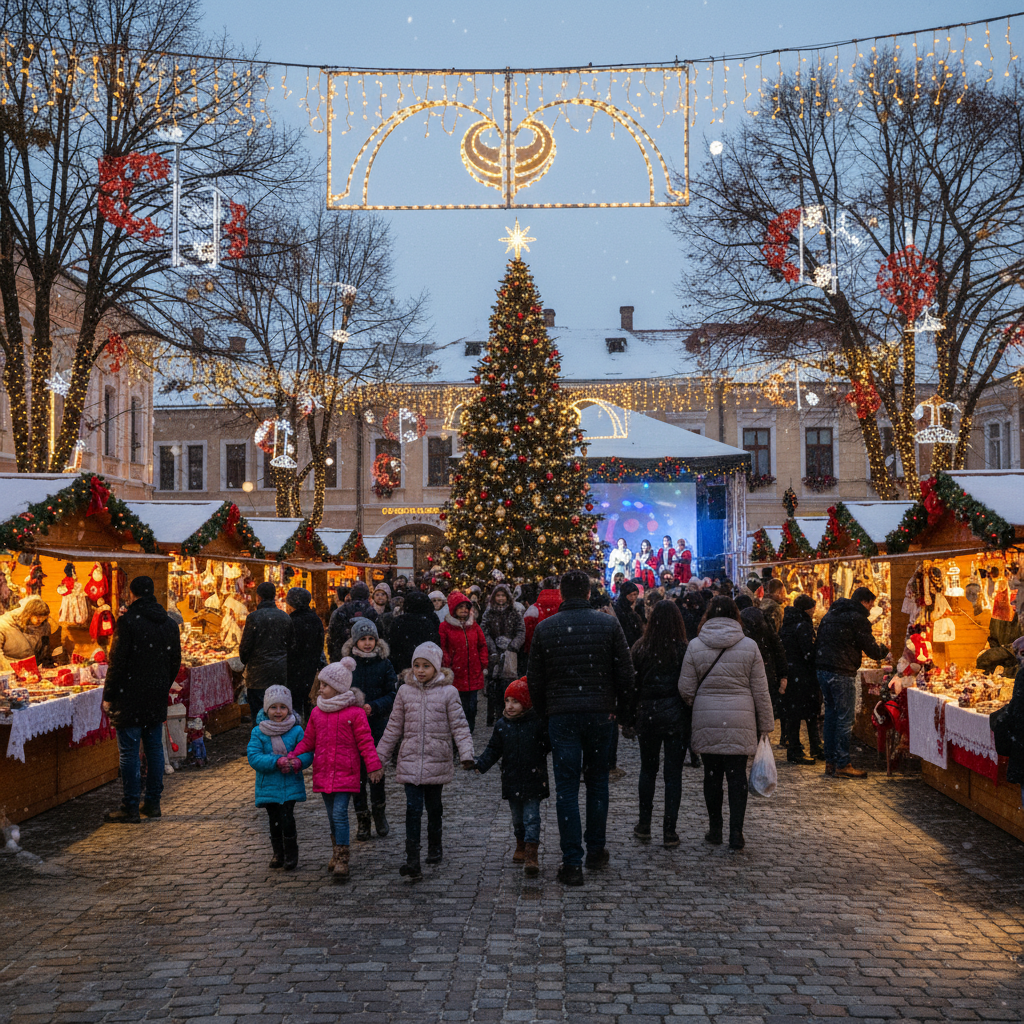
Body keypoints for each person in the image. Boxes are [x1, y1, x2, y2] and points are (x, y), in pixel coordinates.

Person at [527, 569, 635, 886]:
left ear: (561, 594)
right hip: (600, 713)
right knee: (598, 783)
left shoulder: (547, 629)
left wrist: (546, 713)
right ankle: (596, 849)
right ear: (588, 594)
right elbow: (626, 675)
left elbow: (535, 679)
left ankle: (572, 861)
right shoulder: (609, 624)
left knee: (567, 789)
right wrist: (620, 710)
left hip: (562, 715)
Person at [678, 595, 773, 851]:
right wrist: (765, 726)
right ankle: (736, 832)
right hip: (741, 718)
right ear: (735, 615)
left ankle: (715, 828)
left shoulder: (696, 645)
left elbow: (685, 688)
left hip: (707, 717)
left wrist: (699, 703)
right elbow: (760, 691)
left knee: (712, 776)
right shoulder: (750, 646)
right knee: (736, 777)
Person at [376, 641, 475, 880]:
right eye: (417, 665)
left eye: (426, 666)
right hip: (410, 759)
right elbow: (393, 727)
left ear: (437, 668)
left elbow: (460, 726)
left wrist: (466, 754)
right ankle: (413, 860)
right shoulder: (404, 691)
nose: (420, 670)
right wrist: (379, 758)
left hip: (436, 758)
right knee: (412, 808)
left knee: (434, 807)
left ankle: (435, 844)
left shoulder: (448, 693)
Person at [289, 658, 383, 881]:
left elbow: (366, 742)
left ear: (339, 687)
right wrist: (294, 756)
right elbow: (308, 741)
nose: (320, 688)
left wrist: (373, 766)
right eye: (320, 684)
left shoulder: (355, 714)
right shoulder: (317, 713)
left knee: (340, 813)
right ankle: (336, 852)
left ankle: (343, 857)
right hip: (324, 771)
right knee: (332, 816)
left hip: (346, 772)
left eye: (325, 685)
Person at [101, 577, 182, 823]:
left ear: (131, 593)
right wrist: (161, 685)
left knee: (129, 753)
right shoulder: (169, 624)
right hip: (154, 695)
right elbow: (174, 661)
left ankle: (131, 806)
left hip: (130, 696)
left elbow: (117, 662)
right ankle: (153, 803)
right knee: (154, 748)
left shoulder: (128, 623)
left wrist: (109, 695)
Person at [624, 600, 690, 848]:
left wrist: (630, 718)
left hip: (648, 714)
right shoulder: (684, 650)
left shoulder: (641, 648)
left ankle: (644, 824)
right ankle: (669, 830)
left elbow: (632, 686)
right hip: (675, 715)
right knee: (673, 775)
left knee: (648, 770)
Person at [474, 677, 550, 876]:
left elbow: (549, 745)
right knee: (517, 819)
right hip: (512, 779)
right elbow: (493, 749)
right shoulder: (502, 725)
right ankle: (521, 844)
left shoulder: (537, 724)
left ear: (525, 703)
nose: (510, 706)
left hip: (534, 779)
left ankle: (532, 854)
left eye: (515, 701)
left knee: (532, 818)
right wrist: (481, 764)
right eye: (507, 701)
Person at [815, 586, 890, 779]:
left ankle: (830, 762)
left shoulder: (831, 614)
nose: (871, 608)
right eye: (871, 604)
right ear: (864, 602)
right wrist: (884, 650)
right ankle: (842, 763)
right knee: (844, 719)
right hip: (841, 671)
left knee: (831, 716)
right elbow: (870, 647)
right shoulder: (857, 618)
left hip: (823, 669)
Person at [342, 618, 397, 840]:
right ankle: (362, 818)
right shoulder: (347, 664)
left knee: (376, 772)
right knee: (357, 775)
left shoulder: (384, 664)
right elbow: (338, 691)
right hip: (351, 727)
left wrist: (373, 707)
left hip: (376, 724)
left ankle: (379, 813)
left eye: (370, 639)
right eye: (363, 639)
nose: (367, 643)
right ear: (355, 641)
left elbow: (392, 694)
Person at [246, 685, 311, 870]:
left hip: (290, 784)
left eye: (283, 707)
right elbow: (254, 757)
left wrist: (298, 762)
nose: (278, 711)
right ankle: (278, 852)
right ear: (267, 709)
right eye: (274, 707)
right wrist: (276, 761)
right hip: (269, 785)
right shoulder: (258, 732)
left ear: (289, 709)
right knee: (274, 820)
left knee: (287, 818)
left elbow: (306, 752)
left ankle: (291, 853)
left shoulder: (297, 731)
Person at [239, 581, 293, 723]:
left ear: (258, 597)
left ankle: (261, 738)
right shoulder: (285, 617)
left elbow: (245, 648)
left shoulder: (254, 617)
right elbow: (291, 645)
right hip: (279, 671)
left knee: (258, 711)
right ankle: (277, 737)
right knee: (277, 709)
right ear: (274, 596)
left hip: (258, 673)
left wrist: (246, 660)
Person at [778, 594, 823, 764]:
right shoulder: (802, 625)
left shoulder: (787, 624)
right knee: (807, 713)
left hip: (791, 674)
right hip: (803, 675)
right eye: (813, 608)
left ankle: (802, 747)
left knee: (795, 713)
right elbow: (808, 652)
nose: (814, 611)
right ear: (807, 609)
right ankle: (801, 749)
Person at [736, 596, 788, 732]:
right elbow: (777, 647)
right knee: (762, 705)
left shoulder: (739, 625)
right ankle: (761, 736)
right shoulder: (763, 620)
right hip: (766, 671)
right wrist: (783, 674)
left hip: (745, 675)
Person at [439, 591, 488, 734]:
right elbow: (443, 647)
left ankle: (469, 730)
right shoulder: (445, 627)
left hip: (473, 671)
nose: (464, 610)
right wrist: (447, 663)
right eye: (460, 607)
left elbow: (482, 645)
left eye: (466, 607)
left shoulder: (474, 626)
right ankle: (458, 731)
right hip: (456, 672)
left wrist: (483, 662)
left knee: (472, 706)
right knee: (458, 705)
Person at [480, 583, 526, 727]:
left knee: (509, 683)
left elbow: (521, 631)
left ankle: (509, 713)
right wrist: (492, 646)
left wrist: (512, 645)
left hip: (510, 652)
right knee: (494, 685)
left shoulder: (514, 612)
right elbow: (484, 631)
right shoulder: (489, 612)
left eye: (503, 595)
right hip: (494, 652)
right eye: (498, 596)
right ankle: (493, 716)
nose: (500, 598)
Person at [284, 586, 324, 721]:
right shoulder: (315, 619)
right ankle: (310, 731)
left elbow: (289, 648)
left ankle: (297, 733)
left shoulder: (291, 622)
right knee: (309, 704)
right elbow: (319, 645)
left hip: (294, 671)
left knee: (294, 704)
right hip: (311, 669)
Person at [389, 589, 441, 675]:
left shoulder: (399, 621)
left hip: (403, 667)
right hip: (428, 666)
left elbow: (393, 646)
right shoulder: (432, 619)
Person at [327, 582, 378, 662]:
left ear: (351, 595)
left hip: (343, 658)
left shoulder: (340, 611)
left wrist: (333, 658)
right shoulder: (372, 612)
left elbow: (332, 638)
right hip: (368, 657)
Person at [0, 597, 54, 668]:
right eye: (37, 616)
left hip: (32, 668)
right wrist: (11, 668)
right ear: (28, 614)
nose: (40, 619)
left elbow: (44, 649)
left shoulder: (45, 626)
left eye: (43, 617)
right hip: (9, 667)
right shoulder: (4, 625)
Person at [613, 581, 644, 649]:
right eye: (631, 595)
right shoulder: (618, 611)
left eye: (635, 595)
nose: (633, 598)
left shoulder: (637, 609)